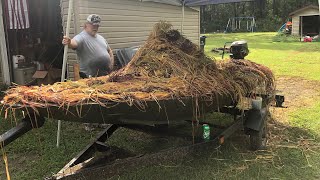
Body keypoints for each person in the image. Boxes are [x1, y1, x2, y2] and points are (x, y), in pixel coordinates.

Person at [62, 14, 114, 78]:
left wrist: (111, 65)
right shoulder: (81, 37)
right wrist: (69, 42)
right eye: (93, 25)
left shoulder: (101, 38)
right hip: (89, 77)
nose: (95, 27)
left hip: (104, 75)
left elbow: (109, 51)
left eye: (97, 25)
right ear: (86, 24)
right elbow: (74, 43)